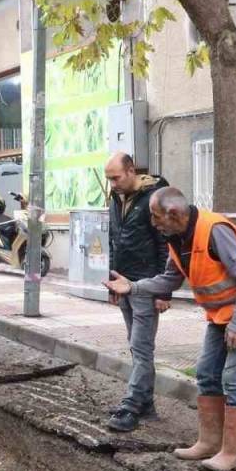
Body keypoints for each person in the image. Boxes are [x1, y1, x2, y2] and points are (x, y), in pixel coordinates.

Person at [104, 187, 236, 471]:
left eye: (156, 217)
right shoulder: (178, 238)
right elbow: (169, 280)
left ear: (173, 213)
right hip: (219, 316)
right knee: (206, 374)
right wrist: (133, 287)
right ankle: (208, 443)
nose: (153, 223)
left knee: (234, 379)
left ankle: (231, 453)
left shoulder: (214, 230)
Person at [103, 152, 171, 432]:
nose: (112, 184)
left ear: (131, 171)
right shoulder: (116, 199)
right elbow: (113, 240)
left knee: (141, 348)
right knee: (136, 346)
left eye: (116, 178)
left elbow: (165, 245)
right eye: (109, 179)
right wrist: (112, 282)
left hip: (147, 284)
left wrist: (164, 292)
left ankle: (130, 407)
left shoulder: (154, 198)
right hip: (123, 282)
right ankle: (146, 405)